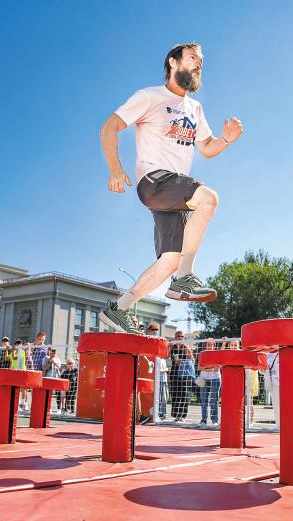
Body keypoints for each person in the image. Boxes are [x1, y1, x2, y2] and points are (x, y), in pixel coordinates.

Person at [98, 43, 244, 333]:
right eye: (192, 58)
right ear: (173, 62)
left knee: (169, 261)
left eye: (201, 61)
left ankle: (119, 308)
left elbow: (206, 148)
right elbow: (109, 127)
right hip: (154, 180)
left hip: (173, 191)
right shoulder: (150, 96)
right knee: (208, 199)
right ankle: (185, 278)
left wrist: (226, 140)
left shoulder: (195, 108)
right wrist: (115, 168)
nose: (199, 64)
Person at [169, 331, 195, 422]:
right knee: (175, 395)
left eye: (182, 336)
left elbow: (192, 360)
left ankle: (183, 416)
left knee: (185, 395)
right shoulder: (172, 347)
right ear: (175, 337)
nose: (180, 338)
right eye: (178, 336)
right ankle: (176, 415)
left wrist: (186, 358)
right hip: (175, 373)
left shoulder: (186, 347)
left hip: (185, 375)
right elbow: (171, 360)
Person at [197, 338, 220, 427]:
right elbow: (199, 367)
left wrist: (206, 367)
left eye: (211, 345)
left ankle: (215, 420)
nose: (210, 346)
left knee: (214, 400)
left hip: (215, 378)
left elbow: (217, 368)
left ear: (214, 346)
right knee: (203, 401)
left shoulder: (217, 354)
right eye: (208, 344)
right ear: (205, 346)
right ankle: (203, 420)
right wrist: (210, 367)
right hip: (203, 378)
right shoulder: (202, 354)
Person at [261, 351, 280, 430]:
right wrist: (263, 369)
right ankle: (279, 425)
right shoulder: (267, 354)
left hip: (284, 382)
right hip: (272, 383)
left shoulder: (282, 352)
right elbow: (261, 369)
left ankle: (286, 425)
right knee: (276, 405)